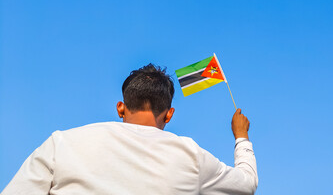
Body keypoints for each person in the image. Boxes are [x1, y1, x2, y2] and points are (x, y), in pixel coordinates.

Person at [1, 64, 258, 195]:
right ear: (169, 115)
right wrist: (241, 136)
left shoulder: (62, 143)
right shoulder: (191, 155)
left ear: (121, 108)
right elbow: (247, 184)